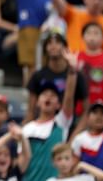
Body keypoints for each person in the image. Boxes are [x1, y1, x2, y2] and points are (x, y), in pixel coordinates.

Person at [22, 50, 78, 181]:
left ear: (58, 105)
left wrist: (72, 71)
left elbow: (69, 97)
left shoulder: (61, 122)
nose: (48, 97)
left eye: (53, 96)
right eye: (44, 94)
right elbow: (22, 161)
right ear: (37, 102)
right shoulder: (26, 129)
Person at [71, 101, 103, 172]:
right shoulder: (79, 139)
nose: (99, 116)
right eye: (95, 112)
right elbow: (73, 167)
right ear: (87, 117)